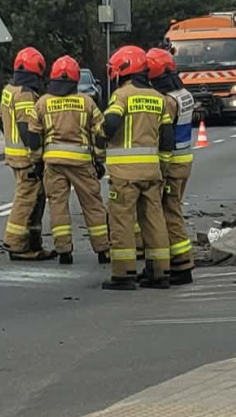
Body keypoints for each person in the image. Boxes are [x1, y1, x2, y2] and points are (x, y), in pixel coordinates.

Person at [101, 45, 174, 291]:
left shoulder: (122, 95)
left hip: (124, 175)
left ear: (123, 70)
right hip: (152, 173)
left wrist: (101, 134)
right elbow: (167, 138)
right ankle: (160, 272)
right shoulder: (158, 98)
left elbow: (111, 122)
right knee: (154, 221)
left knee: (122, 221)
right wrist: (163, 167)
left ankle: (124, 274)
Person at [30, 55, 111, 265]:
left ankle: (64, 251)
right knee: (93, 205)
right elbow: (100, 133)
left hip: (53, 163)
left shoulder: (42, 103)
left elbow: (33, 136)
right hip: (82, 163)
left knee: (58, 206)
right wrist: (99, 160)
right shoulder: (87, 102)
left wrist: (36, 162)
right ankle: (103, 250)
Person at [147, 47, 197, 286]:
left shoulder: (167, 101)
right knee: (172, 209)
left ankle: (182, 265)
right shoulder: (184, 94)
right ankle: (175, 262)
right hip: (184, 160)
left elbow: (163, 133)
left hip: (172, 163)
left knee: (170, 212)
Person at [0, 47, 53, 260]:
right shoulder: (25, 94)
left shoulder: (8, 90)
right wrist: (36, 156)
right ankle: (15, 244)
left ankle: (32, 243)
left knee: (36, 199)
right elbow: (27, 128)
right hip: (26, 158)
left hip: (15, 156)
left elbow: (2, 123)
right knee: (26, 200)